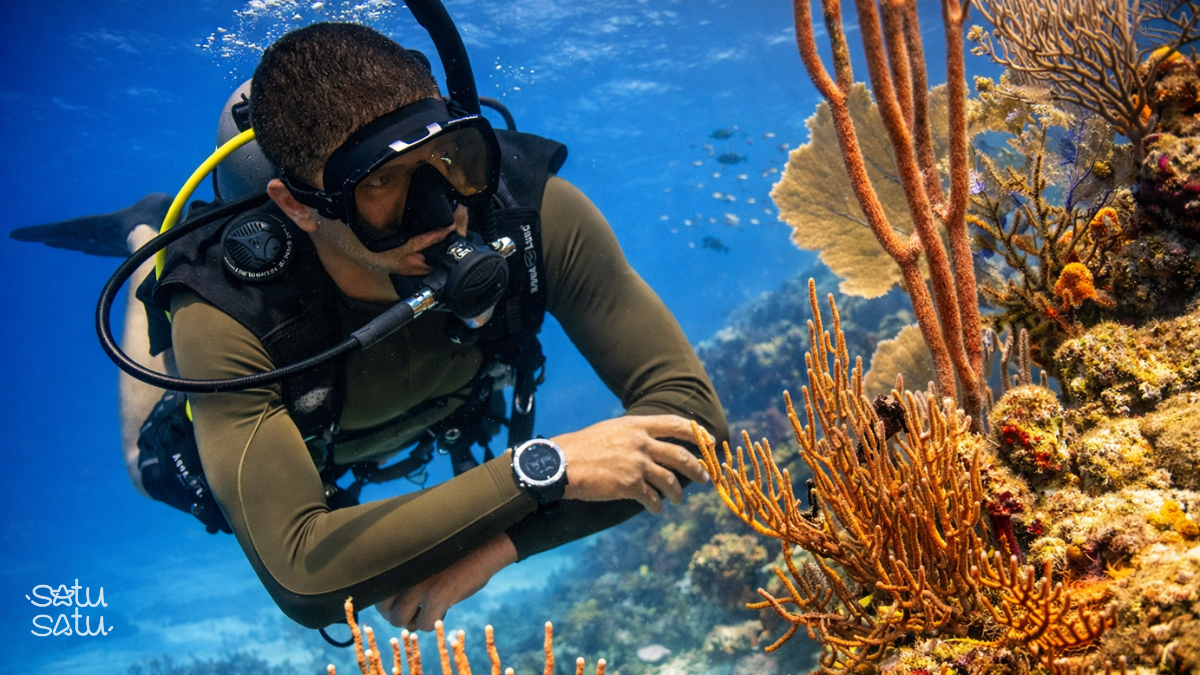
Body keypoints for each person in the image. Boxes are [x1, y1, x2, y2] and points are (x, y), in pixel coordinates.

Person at [14, 21, 728, 632]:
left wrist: (499, 543)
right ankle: (148, 240)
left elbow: (694, 422)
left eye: (450, 159)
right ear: (297, 206)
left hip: (438, 411)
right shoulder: (229, 306)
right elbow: (303, 573)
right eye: (380, 185)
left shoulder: (527, 212)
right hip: (301, 437)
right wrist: (545, 468)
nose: (441, 212)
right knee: (149, 467)